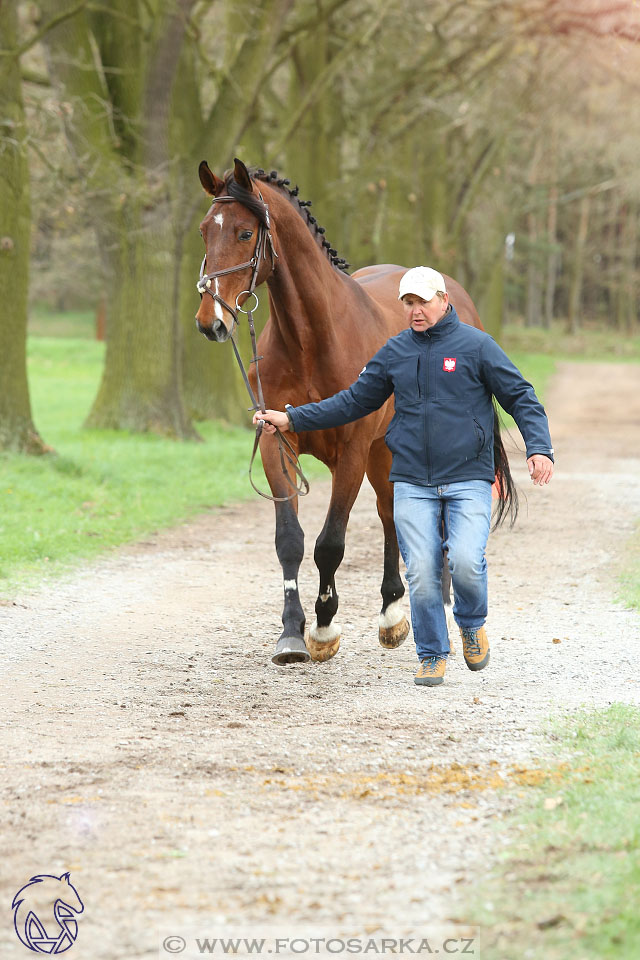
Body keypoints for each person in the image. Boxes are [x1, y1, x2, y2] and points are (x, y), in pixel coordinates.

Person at [254, 266, 554, 687]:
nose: (415, 310)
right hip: (413, 479)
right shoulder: (394, 352)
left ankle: (470, 624)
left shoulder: (477, 346)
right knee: (421, 573)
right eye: (408, 303)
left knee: (466, 562)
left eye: (423, 301)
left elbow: (520, 394)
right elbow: (353, 402)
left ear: (443, 301)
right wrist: (292, 418)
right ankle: (432, 653)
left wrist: (539, 447)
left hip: (467, 478)